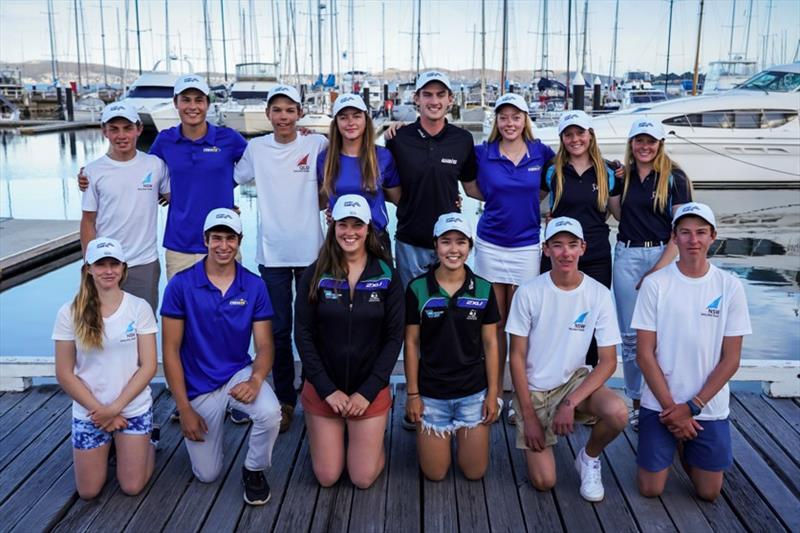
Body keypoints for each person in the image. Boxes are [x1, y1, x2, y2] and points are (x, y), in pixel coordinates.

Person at [161, 208, 281, 505]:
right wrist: (184, 408)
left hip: (237, 375)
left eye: (230, 238)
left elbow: (265, 346)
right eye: (217, 238)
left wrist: (255, 379)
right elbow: (170, 351)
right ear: (205, 240)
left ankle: (254, 469)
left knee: (270, 412)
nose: (223, 245)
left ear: (239, 241)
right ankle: (211, 433)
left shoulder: (253, 285)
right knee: (207, 474)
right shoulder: (180, 285)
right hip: (198, 386)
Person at [633, 202, 751, 502]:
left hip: (706, 407)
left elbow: (731, 359)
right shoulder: (655, 284)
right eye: (684, 232)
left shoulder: (730, 286)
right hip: (660, 404)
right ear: (674, 237)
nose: (692, 240)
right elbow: (644, 355)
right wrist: (673, 410)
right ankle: (673, 438)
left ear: (713, 236)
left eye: (700, 232)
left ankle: (683, 443)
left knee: (709, 493)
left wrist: (692, 407)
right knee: (651, 489)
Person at [78, 74, 248, 280]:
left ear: (207, 104)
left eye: (199, 100)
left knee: (226, 309)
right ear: (175, 103)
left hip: (223, 243)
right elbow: (137, 169)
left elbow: (259, 164)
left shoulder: (229, 138)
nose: (192, 106)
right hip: (180, 247)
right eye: (185, 100)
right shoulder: (166, 140)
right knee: (179, 310)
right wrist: (90, 175)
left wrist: (224, 190)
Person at [506, 217, 627, 502]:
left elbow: (608, 361)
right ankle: (541, 430)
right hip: (534, 391)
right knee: (544, 482)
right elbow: (516, 357)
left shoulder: (598, 293)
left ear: (583, 248)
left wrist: (570, 403)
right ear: (545, 249)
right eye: (557, 245)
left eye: (572, 245)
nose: (566, 253)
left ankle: (588, 458)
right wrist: (528, 414)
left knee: (618, 412)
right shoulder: (528, 293)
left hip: (573, 384)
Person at [233, 84, 329, 433]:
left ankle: (318, 394)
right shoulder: (256, 148)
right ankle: (286, 399)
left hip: (311, 253)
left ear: (300, 114)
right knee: (277, 330)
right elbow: (228, 175)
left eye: (291, 110)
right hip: (272, 254)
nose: (284, 117)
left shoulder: (316, 143)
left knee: (314, 328)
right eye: (278, 110)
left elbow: (350, 154)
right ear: (269, 115)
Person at [294, 195, 404, 489]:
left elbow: (395, 338)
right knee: (328, 476)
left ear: (368, 229)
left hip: (367, 390)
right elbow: (303, 335)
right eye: (343, 224)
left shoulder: (387, 276)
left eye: (357, 225)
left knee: (362, 478)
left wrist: (367, 392)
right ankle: (333, 438)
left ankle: (368, 439)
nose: (350, 232)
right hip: (324, 389)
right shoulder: (314, 274)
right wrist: (327, 390)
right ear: (333, 226)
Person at [464, 92, 555, 422]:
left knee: (523, 326)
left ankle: (521, 396)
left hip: (527, 245)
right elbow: (469, 186)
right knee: (494, 324)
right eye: (504, 117)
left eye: (516, 117)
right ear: (497, 121)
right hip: (490, 244)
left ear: (525, 120)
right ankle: (494, 394)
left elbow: (562, 173)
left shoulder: (541, 152)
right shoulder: (483, 153)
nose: (510, 123)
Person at [53, 238, 158, 500]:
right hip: (91, 412)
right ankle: (118, 444)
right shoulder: (69, 312)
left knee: (131, 487)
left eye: (114, 264)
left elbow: (148, 367)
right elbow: (64, 373)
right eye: (101, 265)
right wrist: (101, 412)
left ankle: (149, 443)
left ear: (123, 268)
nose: (108, 270)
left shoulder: (139, 308)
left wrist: (115, 408)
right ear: (88, 268)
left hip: (131, 407)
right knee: (88, 491)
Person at [404, 213, 500, 481]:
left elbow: (491, 344)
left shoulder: (483, 288)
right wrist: (413, 395)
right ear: (436, 245)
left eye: (461, 242)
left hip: (472, 393)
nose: (453, 249)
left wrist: (492, 395)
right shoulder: (417, 288)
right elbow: (411, 343)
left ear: (470, 246)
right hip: (431, 394)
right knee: (435, 474)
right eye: (446, 242)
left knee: (474, 472)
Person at [613, 119, 692, 430]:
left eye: (650, 141)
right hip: (626, 255)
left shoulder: (675, 178)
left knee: (666, 336)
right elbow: (618, 214)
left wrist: (657, 270)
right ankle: (637, 404)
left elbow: (681, 231)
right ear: (631, 143)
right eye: (638, 140)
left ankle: (667, 400)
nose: (644, 147)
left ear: (660, 143)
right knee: (632, 338)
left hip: (662, 255)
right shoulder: (624, 176)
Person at [540, 110, 623, 367]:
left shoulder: (608, 171)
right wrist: (545, 218)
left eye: (580, 133)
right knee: (554, 317)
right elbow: (534, 202)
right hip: (559, 255)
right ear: (562, 138)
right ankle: (553, 378)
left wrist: (627, 175)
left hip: (596, 254)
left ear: (590, 135)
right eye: (568, 134)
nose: (575, 139)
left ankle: (588, 382)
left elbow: (619, 214)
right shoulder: (553, 170)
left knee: (592, 319)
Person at [385, 70, 478, 288]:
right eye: (427, 94)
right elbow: (388, 189)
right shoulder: (398, 139)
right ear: (416, 98)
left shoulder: (463, 139)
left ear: (450, 99)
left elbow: (472, 188)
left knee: (447, 311)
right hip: (410, 241)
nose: (434, 101)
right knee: (412, 310)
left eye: (440, 94)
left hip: (450, 241)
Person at [80, 102, 169, 313]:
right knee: (102, 325)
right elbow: (88, 221)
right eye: (114, 129)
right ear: (104, 132)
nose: (121, 135)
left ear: (138, 129)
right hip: (105, 264)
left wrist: (226, 205)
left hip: (143, 263)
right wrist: (89, 263)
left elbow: (181, 200)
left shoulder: (155, 165)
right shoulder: (93, 171)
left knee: (144, 325)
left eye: (127, 128)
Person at [317, 93, 401, 257]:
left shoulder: (382, 156)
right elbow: (320, 202)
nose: (350, 123)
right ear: (336, 123)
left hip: (376, 239)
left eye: (356, 116)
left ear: (365, 120)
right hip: (340, 240)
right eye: (343, 117)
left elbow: (398, 199)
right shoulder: (324, 159)